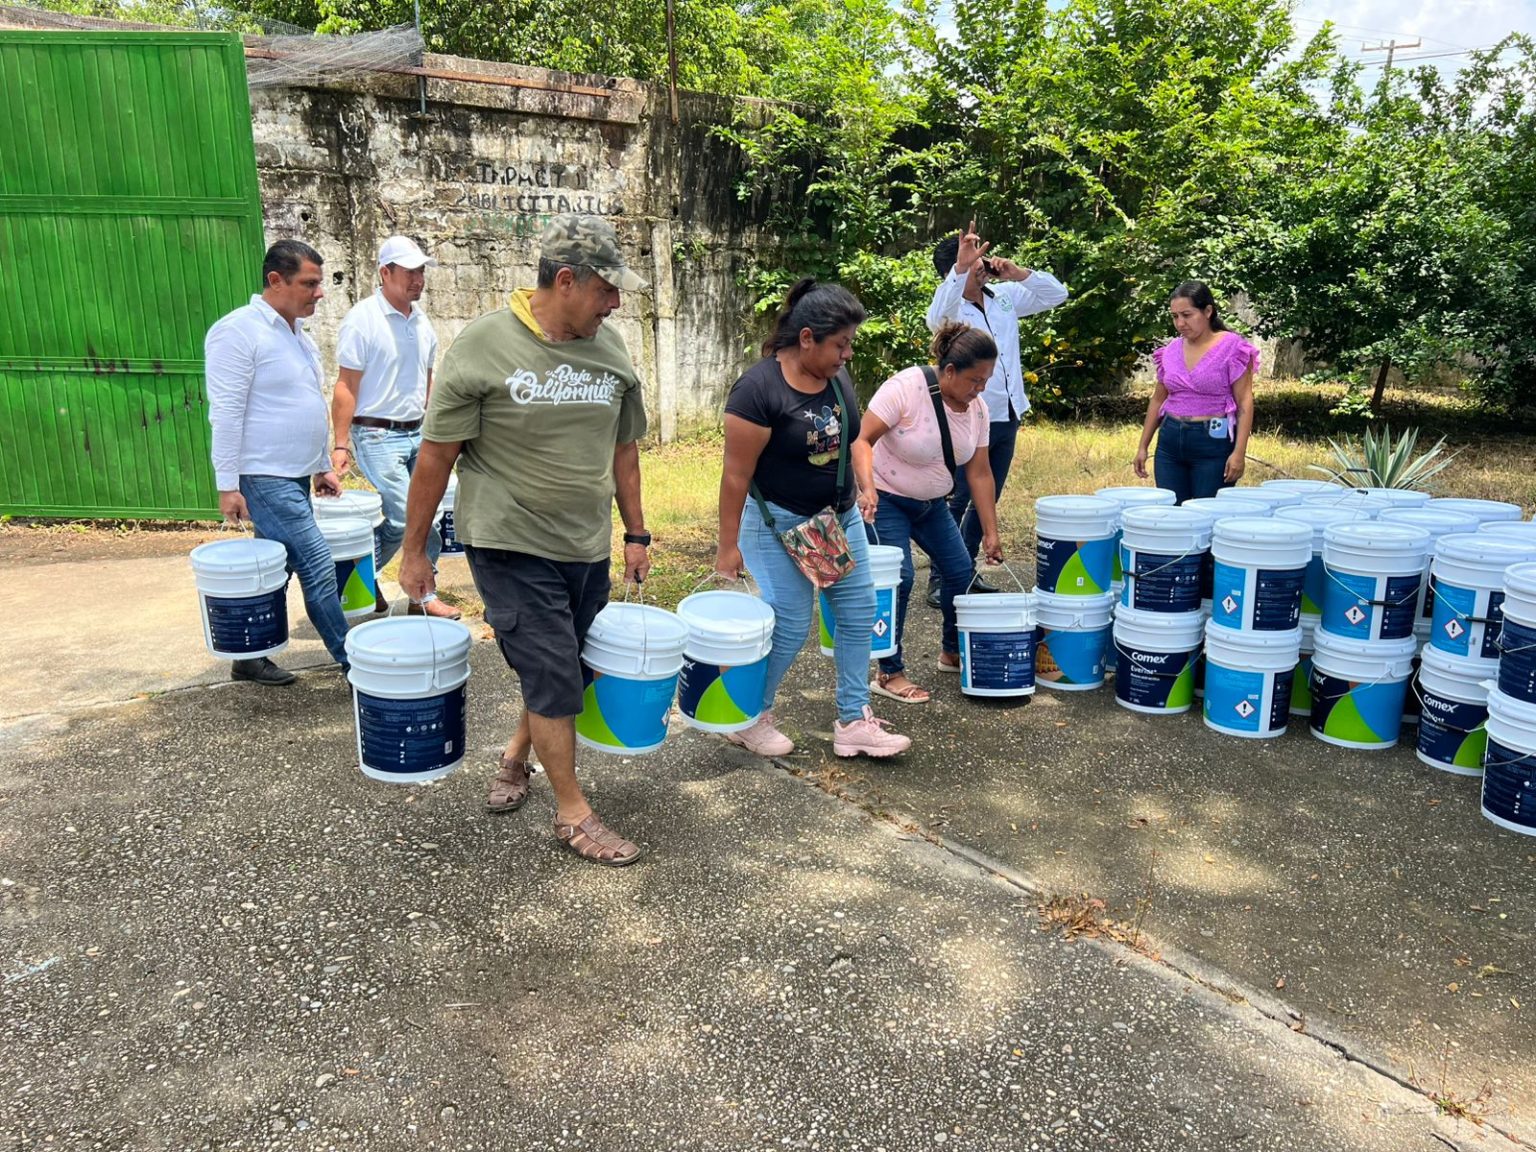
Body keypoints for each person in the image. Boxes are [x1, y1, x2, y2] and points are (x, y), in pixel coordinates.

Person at [398, 214, 651, 868]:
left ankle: (516, 755)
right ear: (566, 281)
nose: (615, 304)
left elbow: (624, 449)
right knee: (552, 670)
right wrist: (415, 549)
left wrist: (636, 532)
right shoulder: (484, 346)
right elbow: (437, 455)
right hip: (508, 539)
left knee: (565, 663)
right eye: (606, 290)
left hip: (584, 543)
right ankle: (573, 813)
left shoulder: (611, 349)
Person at [714, 279, 912, 759]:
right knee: (789, 622)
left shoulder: (837, 379)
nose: (847, 354)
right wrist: (727, 546)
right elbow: (735, 475)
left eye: (850, 344)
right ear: (807, 338)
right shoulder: (757, 390)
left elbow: (853, 440)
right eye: (840, 344)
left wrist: (865, 485)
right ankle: (749, 717)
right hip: (776, 523)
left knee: (859, 613)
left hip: (835, 520)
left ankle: (854, 720)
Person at [205, 239, 350, 686]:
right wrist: (228, 485)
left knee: (276, 567)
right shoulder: (238, 331)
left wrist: (319, 464)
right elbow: (226, 411)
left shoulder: (295, 334)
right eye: (309, 283)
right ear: (275, 280)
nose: (319, 293)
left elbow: (301, 403)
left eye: (319, 283)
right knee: (317, 564)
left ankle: (249, 655)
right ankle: (357, 666)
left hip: (293, 475)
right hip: (264, 475)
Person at [852, 323, 1003, 702]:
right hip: (886, 499)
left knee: (960, 572)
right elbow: (861, 439)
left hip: (932, 505)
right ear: (949, 371)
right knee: (900, 579)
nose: (980, 389)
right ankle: (889, 672)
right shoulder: (906, 388)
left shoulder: (978, 410)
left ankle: (952, 651)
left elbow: (980, 472)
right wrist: (867, 488)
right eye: (974, 380)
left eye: (986, 381)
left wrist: (991, 531)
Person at [923, 220, 1068, 607]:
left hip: (1007, 413)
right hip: (966, 415)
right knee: (957, 497)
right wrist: (960, 268)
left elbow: (1058, 294)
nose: (983, 265)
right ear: (954, 269)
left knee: (988, 496)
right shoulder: (951, 310)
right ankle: (941, 577)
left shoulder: (1003, 296)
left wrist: (1018, 273)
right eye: (975, 261)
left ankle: (965, 569)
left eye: (982, 258)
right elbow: (936, 319)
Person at [328, 235, 460, 619]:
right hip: (376, 434)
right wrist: (340, 445)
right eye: (409, 272)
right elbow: (345, 386)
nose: (418, 279)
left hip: (419, 431)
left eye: (421, 272)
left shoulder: (422, 322)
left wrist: (438, 429)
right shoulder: (362, 320)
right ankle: (383, 584)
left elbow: (427, 381)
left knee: (428, 511)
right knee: (408, 515)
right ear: (385, 273)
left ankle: (414, 594)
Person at [1133, 281, 1257, 504]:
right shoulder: (1170, 351)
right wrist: (1143, 446)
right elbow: (1158, 400)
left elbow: (1245, 402)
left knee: (1207, 511)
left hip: (1213, 441)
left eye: (1187, 315)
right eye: (1175, 317)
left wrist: (1239, 453)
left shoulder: (1232, 347)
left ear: (1208, 311)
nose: (1180, 323)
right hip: (1170, 441)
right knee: (1172, 511)